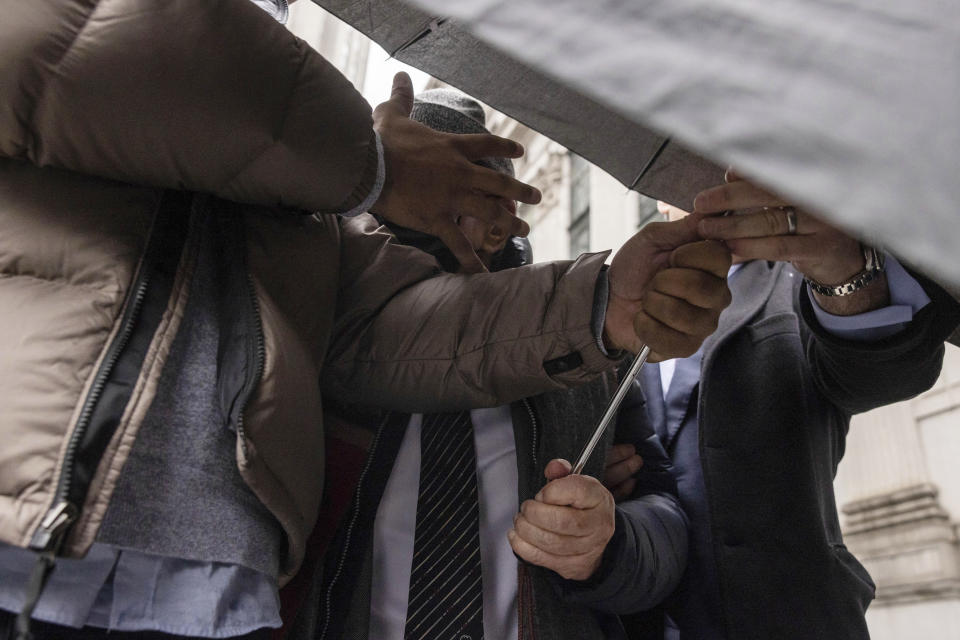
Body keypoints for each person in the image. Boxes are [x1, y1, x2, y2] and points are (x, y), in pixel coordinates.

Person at [0, 3, 732, 640]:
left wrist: (611, 539)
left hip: (208, 592)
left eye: (494, 195)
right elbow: (78, 48)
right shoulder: (325, 236)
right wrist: (368, 163)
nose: (478, 221)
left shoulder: (578, 357)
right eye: (450, 190)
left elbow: (666, 519)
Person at [282, 89, 700, 640]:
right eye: (428, 186)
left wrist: (610, 540)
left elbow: (666, 520)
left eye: (482, 192)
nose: (458, 215)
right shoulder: (311, 314)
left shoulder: (597, 354)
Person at [605, 176, 960, 640]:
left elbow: (878, 374)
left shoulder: (800, 280)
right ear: (658, 197)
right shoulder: (623, 305)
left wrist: (846, 276)